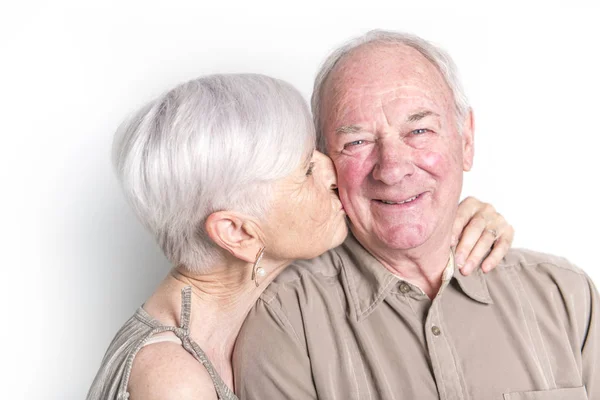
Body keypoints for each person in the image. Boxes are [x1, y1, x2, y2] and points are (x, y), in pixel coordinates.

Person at [87, 73, 513, 400]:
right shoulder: (171, 380)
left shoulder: (215, 323)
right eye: (307, 170)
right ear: (237, 232)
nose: (333, 170)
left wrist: (452, 226)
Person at [233, 31, 599, 399]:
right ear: (325, 161)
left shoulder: (566, 296)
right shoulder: (285, 321)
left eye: (419, 130)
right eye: (356, 142)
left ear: (466, 141)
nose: (392, 169)